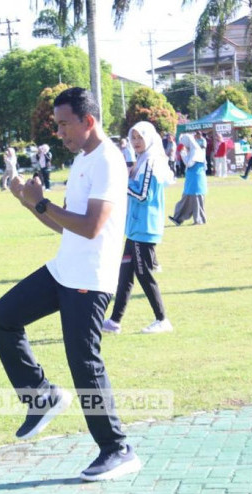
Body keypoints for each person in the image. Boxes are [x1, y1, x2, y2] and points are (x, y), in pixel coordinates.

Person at [0, 87, 141, 482]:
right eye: (56, 126)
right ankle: (41, 395)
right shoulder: (82, 160)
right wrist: (29, 202)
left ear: (88, 121)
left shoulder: (107, 160)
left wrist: (42, 203)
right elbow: (63, 224)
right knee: (1, 318)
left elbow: (91, 227)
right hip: (63, 270)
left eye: (64, 124)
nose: (59, 133)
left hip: (89, 278)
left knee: (84, 363)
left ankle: (118, 449)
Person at [101, 121, 175, 336]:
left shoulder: (152, 161)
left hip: (145, 226)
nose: (136, 142)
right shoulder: (142, 161)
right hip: (135, 228)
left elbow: (143, 195)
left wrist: (120, 182)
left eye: (139, 137)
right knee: (125, 275)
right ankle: (114, 321)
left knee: (144, 275)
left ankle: (162, 319)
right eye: (133, 138)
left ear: (149, 138)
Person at [169, 133, 207, 225]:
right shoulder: (191, 151)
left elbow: (189, 163)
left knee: (196, 199)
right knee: (186, 199)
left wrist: (183, 153)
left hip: (196, 179)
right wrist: (184, 153)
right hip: (191, 178)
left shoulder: (196, 151)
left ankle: (199, 219)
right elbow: (188, 163)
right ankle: (178, 218)